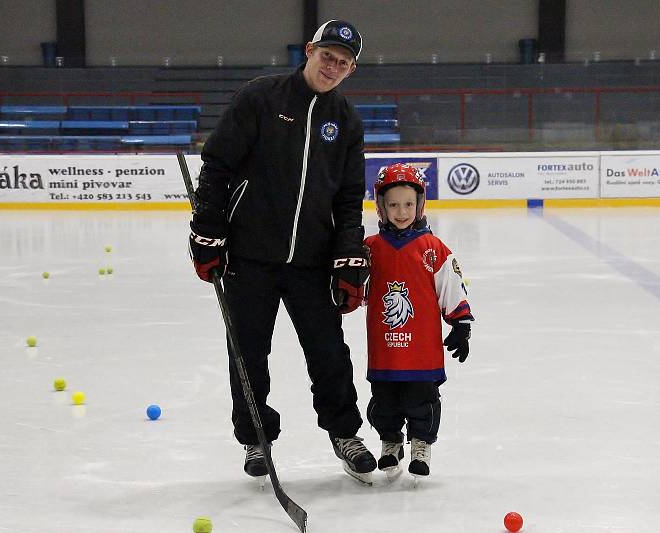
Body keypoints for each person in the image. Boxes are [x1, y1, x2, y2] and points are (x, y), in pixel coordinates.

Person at [188, 19, 377, 483]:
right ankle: (255, 439)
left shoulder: (346, 121)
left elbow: (349, 198)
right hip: (249, 255)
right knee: (248, 352)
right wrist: (207, 229)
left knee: (330, 352)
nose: (333, 67)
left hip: (311, 260)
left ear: (351, 71)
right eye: (327, 56)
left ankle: (345, 434)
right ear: (309, 50)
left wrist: (349, 256)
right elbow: (217, 162)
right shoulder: (262, 97)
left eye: (343, 63)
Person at [363, 162, 474, 480]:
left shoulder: (433, 249)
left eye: (408, 204)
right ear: (382, 207)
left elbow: (451, 287)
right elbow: (359, 293)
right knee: (384, 401)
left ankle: (421, 443)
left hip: (422, 350)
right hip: (385, 348)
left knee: (421, 400)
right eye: (393, 204)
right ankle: (390, 441)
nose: (401, 211)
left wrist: (461, 323)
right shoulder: (371, 249)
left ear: (420, 205)